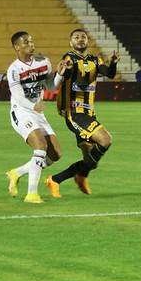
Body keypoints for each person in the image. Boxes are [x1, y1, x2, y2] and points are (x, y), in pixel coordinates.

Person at [45, 29, 118, 198]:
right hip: (74, 113)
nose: (80, 39)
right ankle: (65, 178)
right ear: (71, 42)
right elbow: (69, 73)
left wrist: (113, 62)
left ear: (88, 41)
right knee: (105, 140)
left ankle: (65, 178)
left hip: (89, 113)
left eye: (83, 37)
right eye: (76, 37)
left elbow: (110, 74)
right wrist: (65, 70)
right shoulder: (69, 58)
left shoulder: (95, 59)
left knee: (91, 160)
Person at [4, 31, 65, 204]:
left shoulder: (43, 62)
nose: (31, 44)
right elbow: (18, 96)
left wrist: (59, 74)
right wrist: (33, 105)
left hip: (37, 112)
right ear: (17, 47)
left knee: (56, 154)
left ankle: (16, 173)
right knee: (41, 146)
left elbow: (51, 87)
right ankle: (32, 194)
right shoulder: (13, 70)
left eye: (31, 41)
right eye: (26, 42)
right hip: (21, 111)